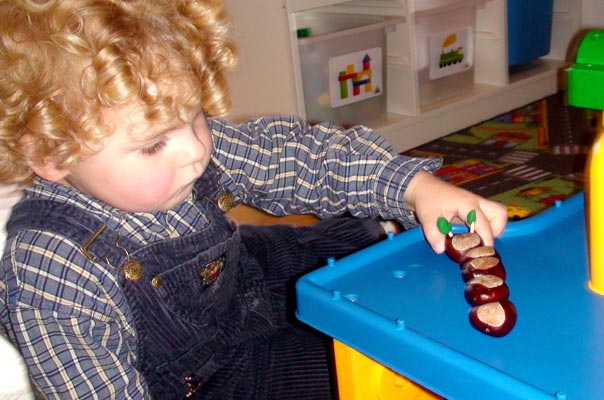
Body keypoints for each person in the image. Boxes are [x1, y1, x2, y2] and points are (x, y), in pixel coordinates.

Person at [0, 0, 507, 398]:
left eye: (194, 116)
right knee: (367, 360)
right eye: (153, 145)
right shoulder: (51, 276)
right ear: (50, 155)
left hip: (246, 277)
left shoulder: (179, 145)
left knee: (372, 241)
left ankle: (382, 235)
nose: (196, 150)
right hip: (214, 378)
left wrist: (413, 187)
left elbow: (300, 157)